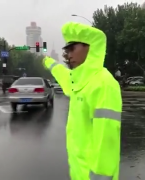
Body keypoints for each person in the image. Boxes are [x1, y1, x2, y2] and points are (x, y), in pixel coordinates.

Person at [43, 22, 122, 180]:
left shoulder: (103, 83)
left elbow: (107, 138)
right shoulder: (79, 81)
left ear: (89, 47)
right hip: (79, 173)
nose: (69, 54)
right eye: (67, 50)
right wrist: (49, 63)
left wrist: (101, 176)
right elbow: (65, 77)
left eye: (73, 48)